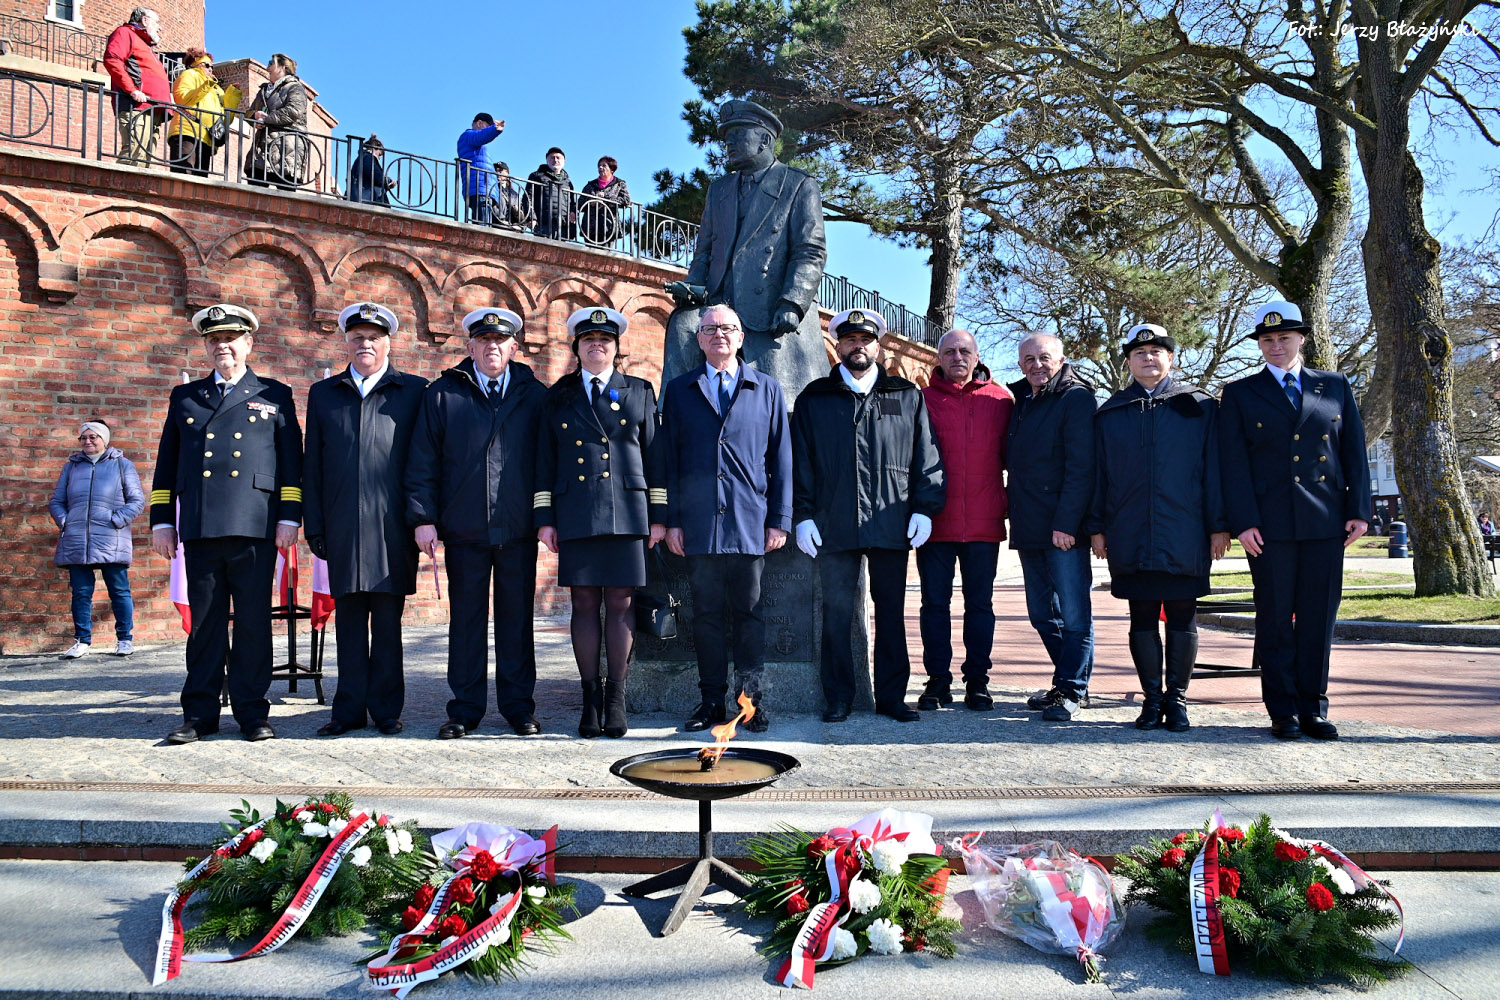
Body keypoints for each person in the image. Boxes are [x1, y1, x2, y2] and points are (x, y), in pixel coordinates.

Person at [1219, 301, 1371, 741]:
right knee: (1273, 618)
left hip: (1325, 520)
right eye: (1267, 340)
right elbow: (1232, 464)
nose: (1276, 346)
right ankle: (1282, 710)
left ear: (1301, 339)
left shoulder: (1335, 385)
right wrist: (1243, 521)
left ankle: (1313, 708)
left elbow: (1353, 452)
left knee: (1318, 619)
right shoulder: (1241, 393)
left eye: (1284, 337)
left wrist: (1359, 510)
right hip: (1269, 527)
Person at [150, 304, 302, 744]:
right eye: (214, 340)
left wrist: (289, 516)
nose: (222, 347)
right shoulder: (186, 397)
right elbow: (166, 464)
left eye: (230, 339)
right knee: (204, 627)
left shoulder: (275, 393)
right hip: (201, 526)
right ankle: (199, 715)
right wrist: (162, 522)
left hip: (255, 526)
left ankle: (253, 713)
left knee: (253, 624)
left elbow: (292, 463)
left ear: (248, 343)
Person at [791, 309, 945, 723]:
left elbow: (926, 457)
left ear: (878, 346)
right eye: (850, 340)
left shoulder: (906, 395)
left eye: (865, 340)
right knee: (836, 613)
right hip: (833, 522)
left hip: (890, 520)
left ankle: (892, 697)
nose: (858, 347)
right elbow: (800, 462)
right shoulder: (814, 398)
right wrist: (802, 515)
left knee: (891, 612)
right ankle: (839, 696)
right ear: (837, 345)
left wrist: (924, 508)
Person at [406, 308, 546, 739]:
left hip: (517, 528)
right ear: (470, 347)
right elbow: (423, 461)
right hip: (464, 527)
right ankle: (465, 710)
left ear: (513, 347)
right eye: (483, 341)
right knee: (466, 622)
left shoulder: (533, 395)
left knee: (516, 621)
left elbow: (548, 464)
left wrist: (545, 519)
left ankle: (519, 708)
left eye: (500, 341)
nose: (492, 347)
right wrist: (423, 518)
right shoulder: (444, 394)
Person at [1088, 325, 1230, 732]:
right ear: (1128, 361)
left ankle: (1177, 700)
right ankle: (1152, 700)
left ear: (1171, 358)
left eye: (1156, 351)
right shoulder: (1111, 412)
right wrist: (1097, 526)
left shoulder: (1199, 406)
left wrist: (1220, 526)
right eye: (1139, 353)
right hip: (1129, 530)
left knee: (1183, 617)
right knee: (1142, 617)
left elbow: (1216, 470)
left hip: (1185, 530)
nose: (1148, 358)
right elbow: (1098, 475)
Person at [535, 307, 668, 738]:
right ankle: (589, 697)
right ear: (576, 347)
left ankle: (616, 697)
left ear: (616, 347)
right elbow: (545, 461)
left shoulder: (639, 391)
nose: (597, 345)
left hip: (628, 511)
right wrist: (545, 518)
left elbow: (655, 457)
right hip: (577, 510)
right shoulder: (558, 395)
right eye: (589, 339)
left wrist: (659, 517)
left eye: (605, 340)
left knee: (621, 602)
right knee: (584, 602)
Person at [660, 304, 792, 733]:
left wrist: (780, 519)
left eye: (728, 328)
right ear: (699, 339)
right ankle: (710, 702)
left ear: (741, 338)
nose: (719, 334)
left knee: (750, 615)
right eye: (710, 328)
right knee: (706, 617)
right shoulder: (680, 390)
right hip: (699, 525)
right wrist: (672, 521)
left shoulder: (766, 389)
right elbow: (669, 461)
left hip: (749, 523)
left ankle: (749, 704)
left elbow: (781, 459)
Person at [303, 302, 427, 737]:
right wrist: (315, 525)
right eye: (357, 337)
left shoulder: (413, 391)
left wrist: (420, 518)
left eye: (374, 338)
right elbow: (313, 465)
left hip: (393, 528)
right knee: (350, 624)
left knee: (388, 625)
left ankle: (387, 710)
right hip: (342, 527)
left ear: (388, 343)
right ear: (346, 343)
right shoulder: (325, 393)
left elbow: (423, 462)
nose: (365, 344)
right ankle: (348, 710)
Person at [663, 100, 827, 397]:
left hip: (770, 305)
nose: (729, 143)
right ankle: (675, 409)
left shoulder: (798, 184)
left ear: (765, 139)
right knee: (682, 323)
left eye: (737, 135)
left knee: (774, 397)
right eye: (727, 137)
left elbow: (810, 251)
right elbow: (704, 251)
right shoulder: (719, 189)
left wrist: (792, 302)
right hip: (720, 303)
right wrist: (691, 287)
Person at [916, 329, 1013, 713]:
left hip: (983, 522)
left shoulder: (1000, 400)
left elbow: (1018, 458)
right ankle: (938, 680)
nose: (957, 357)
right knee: (933, 605)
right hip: (935, 522)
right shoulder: (921, 400)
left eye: (964, 351)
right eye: (950, 351)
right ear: (938, 357)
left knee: (980, 606)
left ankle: (978, 681)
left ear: (977, 356)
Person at [1007, 333, 1097, 722]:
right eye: (1028, 359)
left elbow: (1082, 467)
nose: (1036, 365)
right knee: (1042, 614)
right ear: (1020, 364)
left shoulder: (1076, 398)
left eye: (1044, 357)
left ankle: (1072, 689)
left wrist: (1067, 523)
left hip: (1063, 529)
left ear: (1061, 360)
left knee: (1075, 614)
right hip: (1029, 525)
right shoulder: (1023, 402)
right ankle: (1068, 682)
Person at [50, 420, 144, 659]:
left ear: (104, 439)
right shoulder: (71, 467)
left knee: (119, 591)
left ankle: (124, 639)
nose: (88, 441)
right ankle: (82, 641)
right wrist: (66, 522)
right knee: (81, 593)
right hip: (77, 539)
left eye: (93, 437)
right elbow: (57, 501)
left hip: (111, 539)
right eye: (83, 437)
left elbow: (136, 501)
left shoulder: (122, 465)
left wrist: (115, 521)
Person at [103, 7, 171, 166]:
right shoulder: (125, 33)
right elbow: (112, 59)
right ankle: (118, 183)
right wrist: (132, 90)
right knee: (134, 154)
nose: (160, 27)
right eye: (157, 22)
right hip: (137, 106)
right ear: (145, 20)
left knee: (145, 160)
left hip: (153, 108)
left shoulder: (145, 45)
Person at [167, 48, 240, 175]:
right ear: (196, 64)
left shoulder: (216, 88)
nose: (211, 69)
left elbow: (225, 118)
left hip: (207, 137)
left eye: (212, 66)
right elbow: (183, 99)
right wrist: (207, 84)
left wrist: (233, 95)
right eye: (207, 65)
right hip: (187, 131)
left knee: (200, 179)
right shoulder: (189, 74)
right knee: (183, 173)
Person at [246, 54, 309, 189]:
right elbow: (249, 112)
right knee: (254, 193)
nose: (267, 67)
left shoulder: (295, 87)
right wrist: (254, 116)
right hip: (262, 151)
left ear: (282, 67)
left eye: (271, 63)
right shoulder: (263, 90)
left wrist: (265, 120)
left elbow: (293, 111)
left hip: (287, 151)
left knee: (285, 197)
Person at [457, 113, 504, 225]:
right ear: (479, 123)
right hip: (481, 189)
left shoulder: (471, 140)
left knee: (482, 227)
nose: (487, 129)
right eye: (487, 126)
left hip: (481, 189)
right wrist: (494, 129)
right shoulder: (468, 135)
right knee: (484, 229)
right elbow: (482, 135)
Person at [579, 156, 631, 244]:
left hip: (609, 226)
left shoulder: (619, 184)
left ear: (612, 169)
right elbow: (580, 203)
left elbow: (626, 200)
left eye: (604, 165)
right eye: (599, 165)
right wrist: (590, 201)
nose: (600, 167)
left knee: (605, 251)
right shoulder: (590, 185)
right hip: (590, 227)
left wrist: (605, 197)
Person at [528, 147, 577, 241]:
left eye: (558, 158)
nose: (555, 160)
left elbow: (572, 203)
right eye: (552, 157)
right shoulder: (536, 176)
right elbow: (528, 197)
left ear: (564, 161)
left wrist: (573, 212)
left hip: (563, 228)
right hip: (543, 225)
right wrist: (531, 217)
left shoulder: (568, 182)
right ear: (547, 160)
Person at [347, 135, 396, 205]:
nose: (379, 158)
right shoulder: (368, 158)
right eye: (379, 154)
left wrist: (387, 185)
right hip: (365, 198)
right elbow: (375, 176)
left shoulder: (363, 157)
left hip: (361, 195)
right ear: (374, 149)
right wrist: (388, 180)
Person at [492, 162, 535, 230]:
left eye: (500, 170)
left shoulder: (515, 195)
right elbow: (492, 207)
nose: (497, 173)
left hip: (513, 229)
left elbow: (523, 212)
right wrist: (502, 221)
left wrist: (520, 227)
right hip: (498, 227)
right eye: (495, 170)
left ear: (507, 173)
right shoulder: (492, 189)